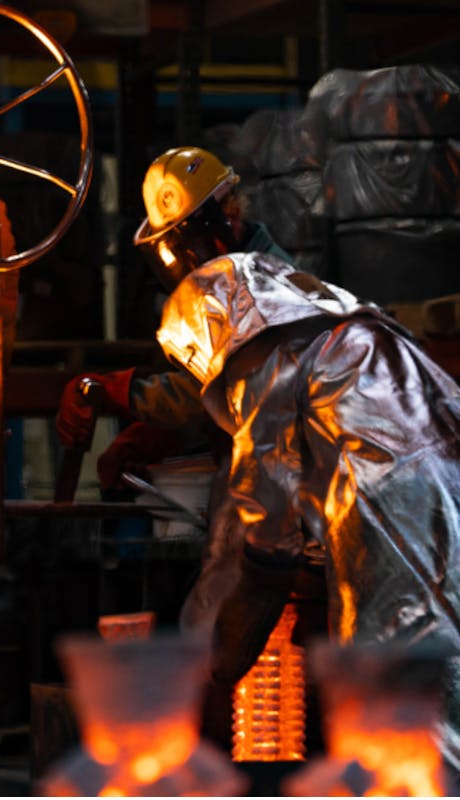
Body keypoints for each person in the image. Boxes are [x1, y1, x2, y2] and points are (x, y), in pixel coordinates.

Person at [154, 249, 460, 767]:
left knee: (393, 706)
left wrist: (221, 657)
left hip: (398, 527)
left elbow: (266, 530)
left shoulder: (265, 361)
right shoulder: (363, 337)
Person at [55, 146, 292, 492]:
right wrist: (156, 434)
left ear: (226, 220)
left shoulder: (268, 289)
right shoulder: (234, 282)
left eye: (187, 245)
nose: (187, 262)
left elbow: (224, 389)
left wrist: (126, 394)